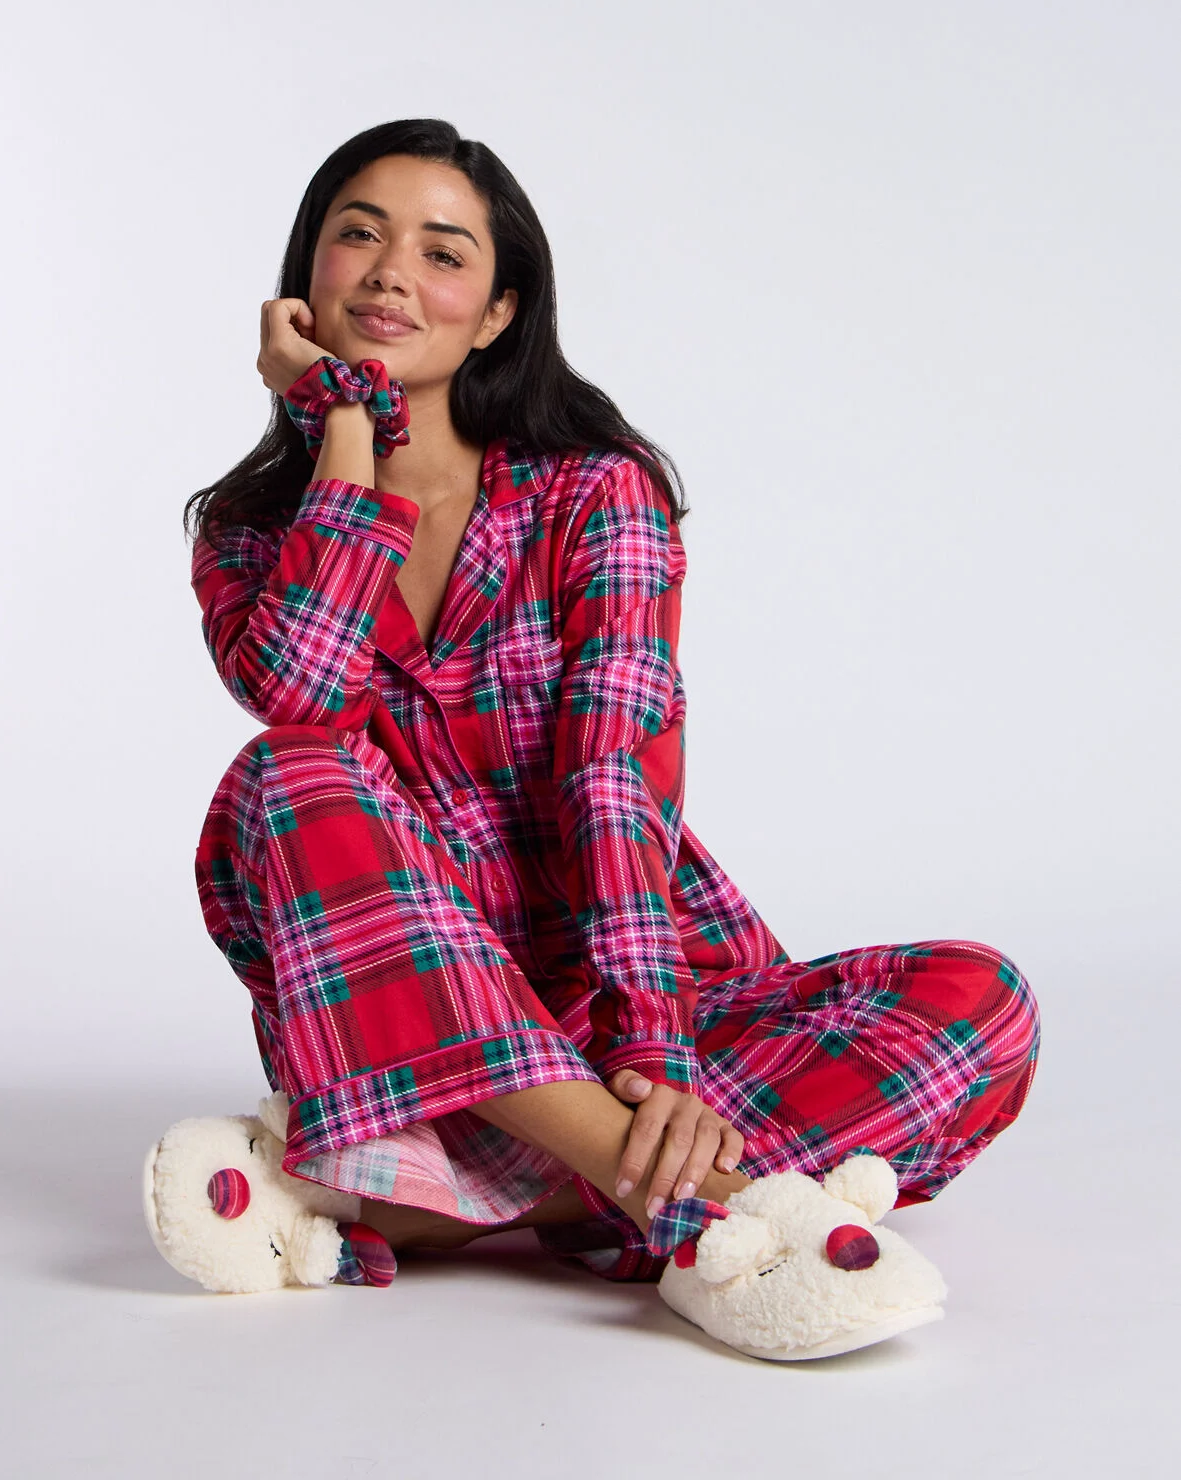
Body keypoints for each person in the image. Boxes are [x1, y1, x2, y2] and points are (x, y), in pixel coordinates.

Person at [176, 117, 1040, 1296]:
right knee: (287, 774)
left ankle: (448, 1204)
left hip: (625, 988)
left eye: (442, 253)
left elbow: (614, 773)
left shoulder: (597, 490)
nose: (391, 274)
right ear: (307, 279)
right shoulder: (248, 531)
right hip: (405, 1011)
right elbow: (300, 689)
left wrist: (653, 1049)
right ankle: (684, 1202)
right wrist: (342, 425)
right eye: (360, 236)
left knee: (982, 1002)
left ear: (497, 313)